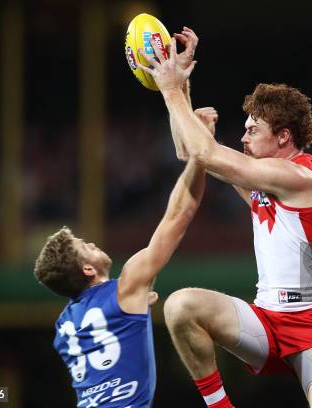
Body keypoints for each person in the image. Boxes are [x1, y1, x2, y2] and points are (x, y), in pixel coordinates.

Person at [138, 34, 312, 408]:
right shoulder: (263, 180)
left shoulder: (300, 178)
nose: (243, 137)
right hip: (266, 321)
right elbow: (191, 152)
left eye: (253, 130)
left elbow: (204, 150)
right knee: (180, 306)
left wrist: (170, 88)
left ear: (284, 136)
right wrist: (182, 86)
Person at [33, 28, 209, 407]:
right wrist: (201, 154)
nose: (93, 244)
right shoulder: (128, 285)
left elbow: (108, 330)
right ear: (86, 271)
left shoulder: (63, 327)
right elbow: (181, 212)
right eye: (85, 247)